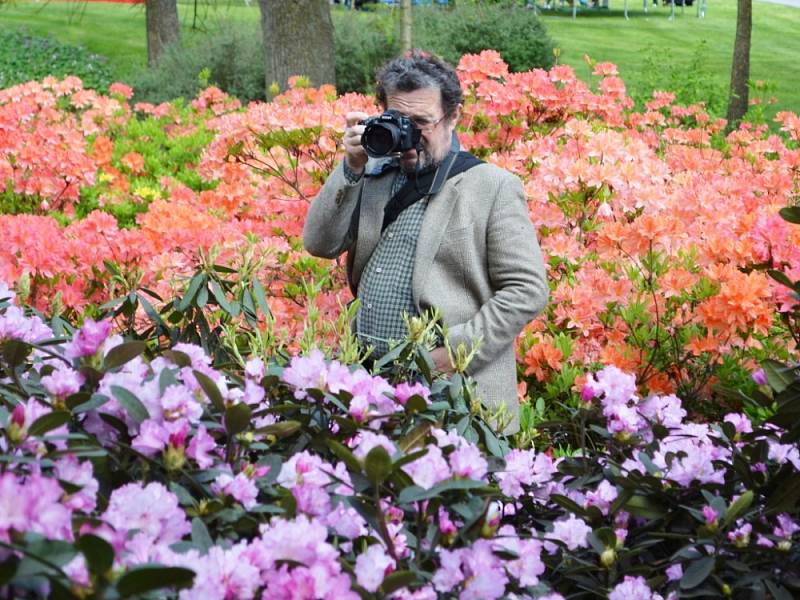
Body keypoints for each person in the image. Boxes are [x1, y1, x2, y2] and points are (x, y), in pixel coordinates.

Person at [303, 50, 548, 433]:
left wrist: (450, 355)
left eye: (423, 122)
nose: (411, 137)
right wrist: (351, 168)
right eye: (401, 121)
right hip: (370, 392)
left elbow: (527, 290)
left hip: (454, 396)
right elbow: (319, 243)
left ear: (453, 117)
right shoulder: (373, 177)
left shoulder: (491, 187)